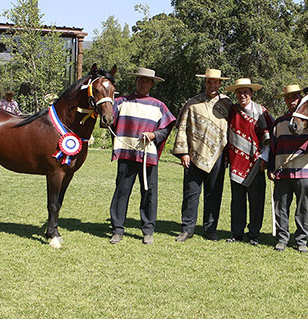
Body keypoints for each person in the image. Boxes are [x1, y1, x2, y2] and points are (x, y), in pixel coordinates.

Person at [109, 68, 176, 245]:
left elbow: (167, 127)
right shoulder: (121, 102)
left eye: (146, 81)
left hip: (148, 155)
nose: (142, 83)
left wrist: (154, 136)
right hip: (126, 152)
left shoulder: (158, 106)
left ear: (152, 84)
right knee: (122, 191)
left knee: (149, 193)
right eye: (140, 80)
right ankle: (117, 229)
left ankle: (148, 230)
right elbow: (107, 118)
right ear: (135, 81)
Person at [172, 68, 232, 242]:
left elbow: (232, 131)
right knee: (191, 193)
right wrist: (183, 152)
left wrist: (228, 155)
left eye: (215, 82)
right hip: (193, 154)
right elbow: (182, 128)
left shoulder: (227, 104)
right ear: (205, 83)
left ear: (220, 84)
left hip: (218, 155)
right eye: (209, 82)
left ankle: (210, 229)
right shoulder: (192, 103)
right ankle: (187, 228)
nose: (212, 85)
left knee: (214, 193)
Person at [269, 84, 308, 253]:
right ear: (285, 101)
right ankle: (282, 238)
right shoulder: (279, 122)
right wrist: (271, 167)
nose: (291, 100)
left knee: (303, 207)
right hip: (282, 171)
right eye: (288, 98)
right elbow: (272, 148)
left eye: (294, 97)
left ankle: (301, 240)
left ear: (300, 99)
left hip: (304, 170)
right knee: (281, 206)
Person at [225, 78, 274, 246]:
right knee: (237, 201)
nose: (242, 95)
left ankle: (254, 234)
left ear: (252, 93)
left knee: (256, 200)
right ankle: (237, 233)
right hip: (237, 161)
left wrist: (265, 159)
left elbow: (269, 138)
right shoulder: (232, 111)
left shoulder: (262, 112)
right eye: (239, 92)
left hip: (257, 163)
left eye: (246, 92)